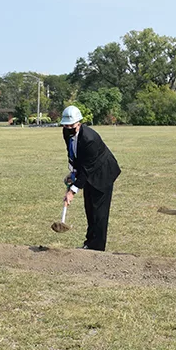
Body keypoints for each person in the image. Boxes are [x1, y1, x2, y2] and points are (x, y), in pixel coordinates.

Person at [61, 105, 121, 251]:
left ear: (79, 123)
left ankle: (98, 249)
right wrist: (73, 173)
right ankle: (90, 243)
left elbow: (87, 169)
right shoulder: (67, 132)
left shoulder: (90, 139)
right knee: (89, 208)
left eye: (71, 126)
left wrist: (72, 191)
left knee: (99, 213)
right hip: (88, 171)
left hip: (103, 173)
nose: (68, 128)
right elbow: (73, 154)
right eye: (66, 125)